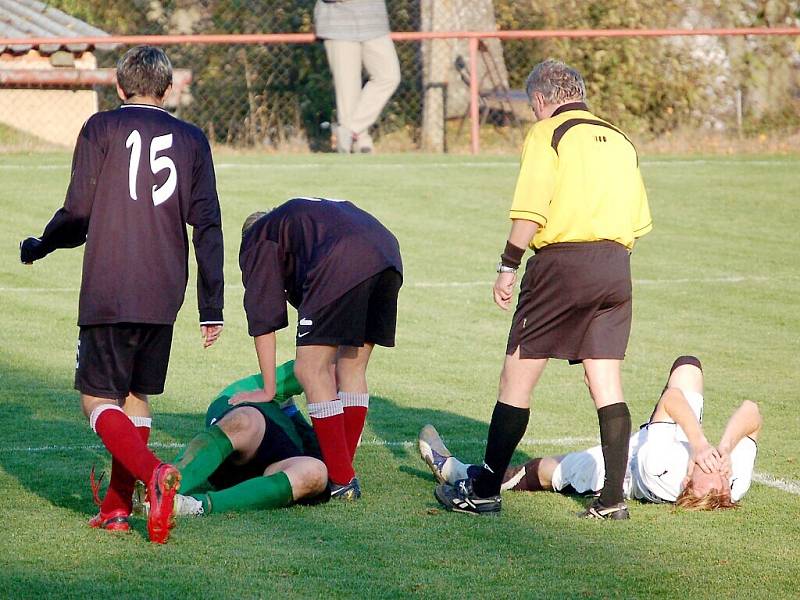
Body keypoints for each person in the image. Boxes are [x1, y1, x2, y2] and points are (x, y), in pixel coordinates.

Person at [19, 46, 225, 543]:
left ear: (118, 86)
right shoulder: (192, 138)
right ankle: (116, 508)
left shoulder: (100, 128)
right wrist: (211, 305)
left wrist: (42, 244)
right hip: (164, 290)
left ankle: (154, 475)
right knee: (136, 396)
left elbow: (77, 213)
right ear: (169, 88)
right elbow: (209, 224)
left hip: (111, 287)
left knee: (96, 399)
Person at [434, 59, 652, 519]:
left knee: (518, 374)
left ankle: (485, 490)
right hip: (617, 265)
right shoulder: (620, 139)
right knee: (606, 380)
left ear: (539, 101)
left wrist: (508, 265)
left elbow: (530, 210)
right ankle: (612, 500)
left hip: (561, 265)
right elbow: (639, 222)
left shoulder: (547, 133)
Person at [422, 357, 761, 512]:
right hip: (678, 437)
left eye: (709, 475)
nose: (717, 468)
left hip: (626, 463)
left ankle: (461, 471)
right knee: (688, 366)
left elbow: (670, 400)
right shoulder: (733, 479)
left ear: (688, 483)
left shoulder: (662, 470)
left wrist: (699, 443)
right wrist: (726, 447)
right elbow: (752, 412)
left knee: (544, 472)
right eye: (721, 474)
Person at [235, 197, 402, 499]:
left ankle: (340, 478)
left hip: (344, 258)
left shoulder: (258, 237)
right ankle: (342, 470)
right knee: (349, 365)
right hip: (387, 252)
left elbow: (263, 319)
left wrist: (268, 389)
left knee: (309, 368)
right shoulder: (298, 223)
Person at [138, 361, 328, 517]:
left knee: (315, 473)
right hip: (242, 434)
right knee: (244, 420)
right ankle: (162, 488)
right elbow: (243, 391)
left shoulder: (353, 385)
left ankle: (191, 506)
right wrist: (289, 408)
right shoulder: (322, 360)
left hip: (282, 463)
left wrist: (295, 415)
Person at [314, 0, 401, 153]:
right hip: (338, 24)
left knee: (389, 76)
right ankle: (360, 143)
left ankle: (350, 130)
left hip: (374, 24)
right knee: (348, 90)